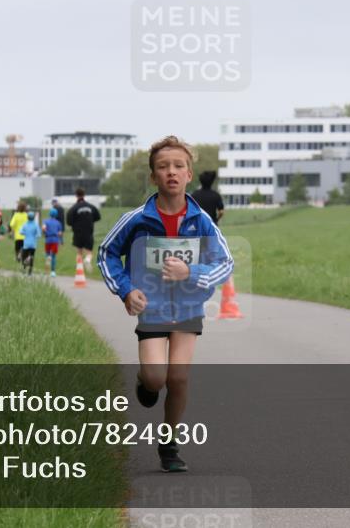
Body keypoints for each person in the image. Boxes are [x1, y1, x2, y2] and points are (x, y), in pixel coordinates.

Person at [98, 136, 233, 473]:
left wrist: (193, 272)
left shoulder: (201, 221)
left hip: (187, 309)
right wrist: (127, 290)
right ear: (153, 176)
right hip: (153, 308)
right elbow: (107, 253)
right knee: (157, 378)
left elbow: (225, 262)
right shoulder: (136, 220)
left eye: (178, 166)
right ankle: (146, 383)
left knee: (179, 378)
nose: (171, 172)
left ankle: (169, 443)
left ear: (189, 174)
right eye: (163, 167)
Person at [67, 188, 101, 272]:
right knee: (89, 251)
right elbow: (98, 217)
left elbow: (69, 221)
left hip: (77, 233)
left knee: (79, 252)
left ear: (76, 195)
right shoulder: (91, 207)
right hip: (89, 232)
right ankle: (88, 260)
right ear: (84, 195)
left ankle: (79, 269)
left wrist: (75, 224)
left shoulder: (73, 208)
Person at [42, 208, 63, 277]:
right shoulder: (58, 223)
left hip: (48, 239)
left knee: (47, 255)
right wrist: (61, 240)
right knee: (53, 256)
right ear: (56, 215)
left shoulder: (46, 221)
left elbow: (44, 228)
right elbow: (60, 233)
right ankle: (53, 272)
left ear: (49, 214)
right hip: (55, 240)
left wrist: (46, 233)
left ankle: (46, 271)